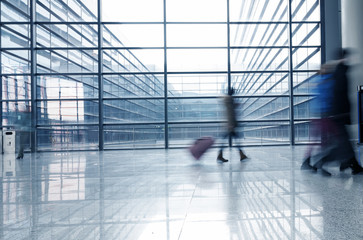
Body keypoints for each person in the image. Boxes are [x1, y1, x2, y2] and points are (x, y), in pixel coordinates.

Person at [217, 87, 247, 163]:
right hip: (230, 125)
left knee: (231, 140)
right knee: (236, 140)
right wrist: (231, 125)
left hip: (228, 124)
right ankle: (241, 155)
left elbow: (231, 110)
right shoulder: (229, 99)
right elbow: (230, 113)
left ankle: (241, 155)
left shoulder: (228, 100)